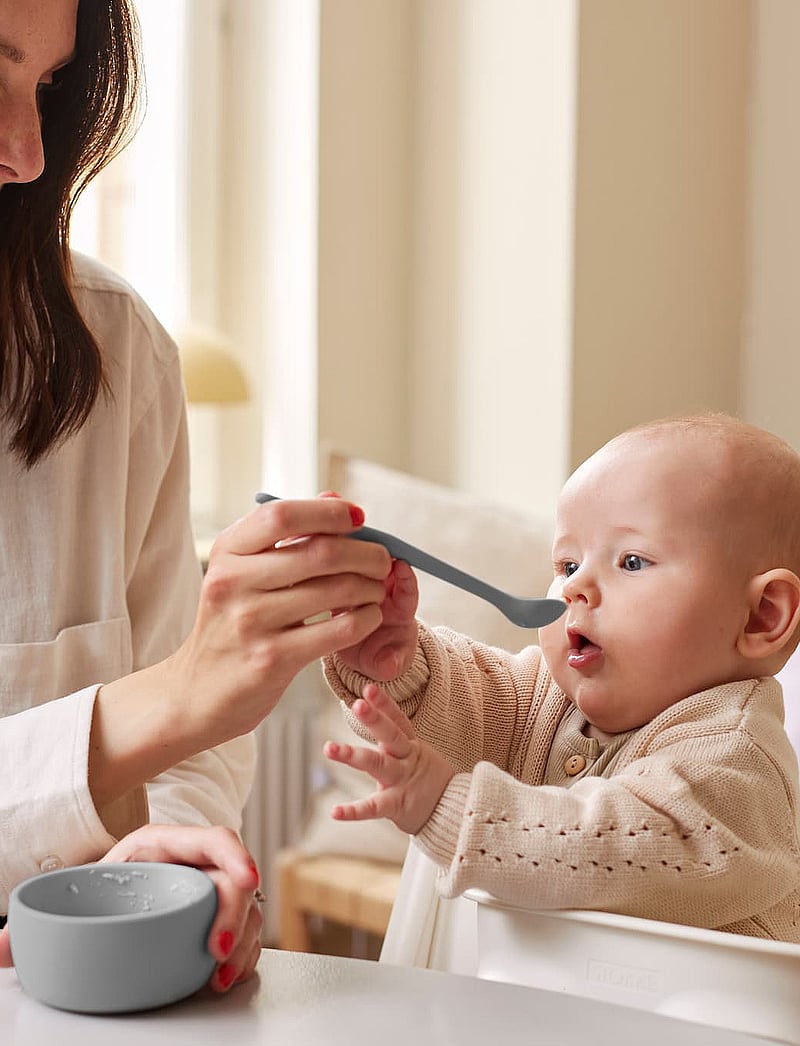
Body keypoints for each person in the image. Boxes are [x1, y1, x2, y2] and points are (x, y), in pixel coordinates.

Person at [0, 0, 392, 989]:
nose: (27, 154)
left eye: (48, 90)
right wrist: (167, 699)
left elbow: (191, 751)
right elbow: (179, 697)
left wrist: (165, 862)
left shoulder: (115, 352)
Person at [322, 414, 800, 942]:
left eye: (632, 561)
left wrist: (450, 806)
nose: (576, 589)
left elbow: (617, 844)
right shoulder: (546, 695)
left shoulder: (736, 762)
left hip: (700, 1021)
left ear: (762, 617)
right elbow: (474, 698)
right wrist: (400, 663)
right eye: (568, 565)